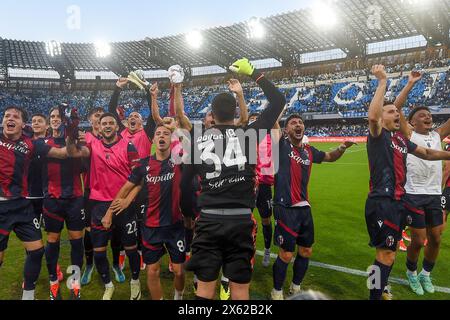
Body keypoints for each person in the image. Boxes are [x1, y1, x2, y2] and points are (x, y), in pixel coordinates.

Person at [180, 58, 286, 300]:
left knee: (205, 289)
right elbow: (278, 101)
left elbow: (185, 184)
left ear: (213, 114)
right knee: (239, 290)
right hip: (240, 221)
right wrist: (253, 73)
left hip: (208, 220)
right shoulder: (249, 135)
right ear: (236, 112)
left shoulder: (198, 140)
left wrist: (190, 214)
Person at [365, 65, 450, 300]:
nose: (396, 114)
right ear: (383, 117)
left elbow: (429, 154)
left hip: (399, 202)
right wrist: (383, 81)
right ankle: (374, 294)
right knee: (386, 254)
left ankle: (379, 287)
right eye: (391, 112)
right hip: (382, 202)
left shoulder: (401, 141)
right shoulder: (378, 135)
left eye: (396, 112)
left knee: (388, 252)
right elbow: (373, 116)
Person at [270, 114, 356, 300]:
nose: (298, 125)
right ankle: (277, 291)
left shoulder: (309, 150)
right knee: (286, 254)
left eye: (300, 123)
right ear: (286, 130)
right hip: (285, 207)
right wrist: (276, 108)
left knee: (306, 251)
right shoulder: (281, 146)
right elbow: (273, 122)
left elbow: (330, 156)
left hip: (304, 209)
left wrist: (342, 147)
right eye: (293, 123)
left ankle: (295, 287)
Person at [66, 113, 142, 300]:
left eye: (111, 123)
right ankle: (108, 285)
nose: (107, 126)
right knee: (99, 251)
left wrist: (127, 200)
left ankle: (135, 282)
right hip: (98, 205)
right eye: (104, 123)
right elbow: (72, 152)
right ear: (98, 127)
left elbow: (139, 179)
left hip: (124, 205)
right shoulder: (92, 145)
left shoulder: (129, 146)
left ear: (117, 127)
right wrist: (70, 134)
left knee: (131, 248)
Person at [107, 122, 185, 300]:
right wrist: (109, 212)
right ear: (154, 139)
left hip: (175, 226)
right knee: (152, 271)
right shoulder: (143, 165)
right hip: (151, 227)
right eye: (158, 133)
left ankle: (178, 296)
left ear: (171, 138)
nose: (162, 136)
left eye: (166, 133)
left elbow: (187, 140)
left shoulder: (178, 160)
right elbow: (126, 188)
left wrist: (176, 127)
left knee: (179, 271)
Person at [0, 106, 68, 300]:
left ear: (23, 124)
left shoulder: (31, 144)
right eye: (7, 116)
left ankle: (28, 296)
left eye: (15, 117)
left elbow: (63, 153)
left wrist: (72, 138)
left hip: (22, 205)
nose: (10, 119)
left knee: (37, 251)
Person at [395, 70, 450, 295]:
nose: (427, 117)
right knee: (418, 240)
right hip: (414, 194)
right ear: (411, 122)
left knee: (436, 238)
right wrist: (409, 84)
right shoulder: (408, 134)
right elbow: (397, 108)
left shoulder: (437, 135)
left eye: (429, 114)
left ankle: (425, 274)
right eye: (422, 115)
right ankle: (411, 273)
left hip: (435, 195)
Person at [42, 107, 85, 300]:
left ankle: (75, 282)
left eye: (58, 116)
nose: (55, 119)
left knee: (77, 242)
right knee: (53, 242)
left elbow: (73, 152)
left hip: (75, 199)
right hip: (52, 199)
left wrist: (72, 132)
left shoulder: (78, 143)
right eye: (52, 116)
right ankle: (53, 281)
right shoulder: (42, 143)